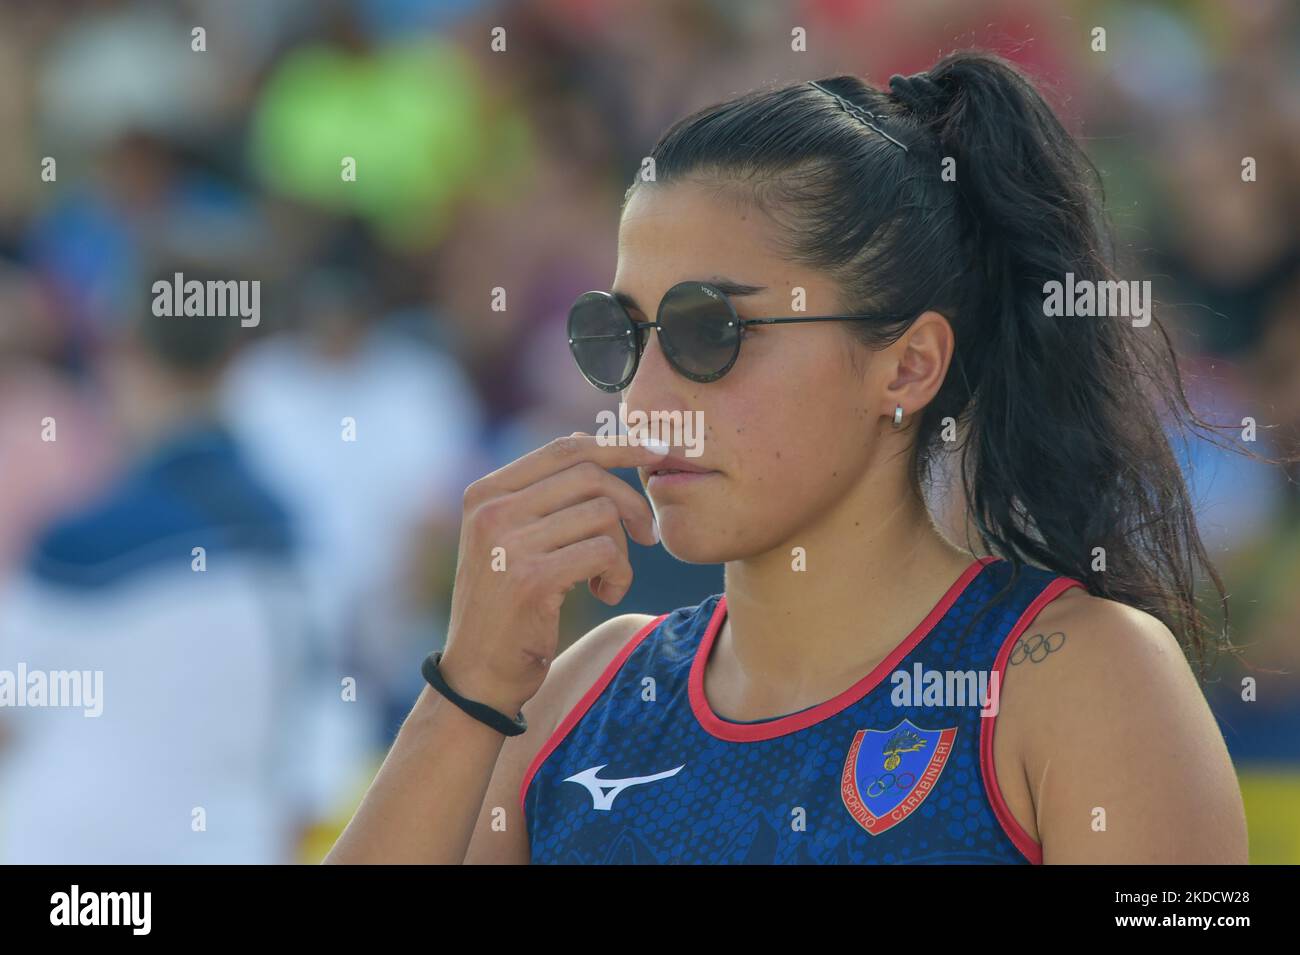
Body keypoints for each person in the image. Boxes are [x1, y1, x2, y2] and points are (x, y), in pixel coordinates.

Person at [325, 51, 1252, 864]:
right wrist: (469, 690)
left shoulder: (1078, 677)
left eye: (706, 329)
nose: (643, 403)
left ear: (908, 363)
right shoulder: (583, 690)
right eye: (618, 334)